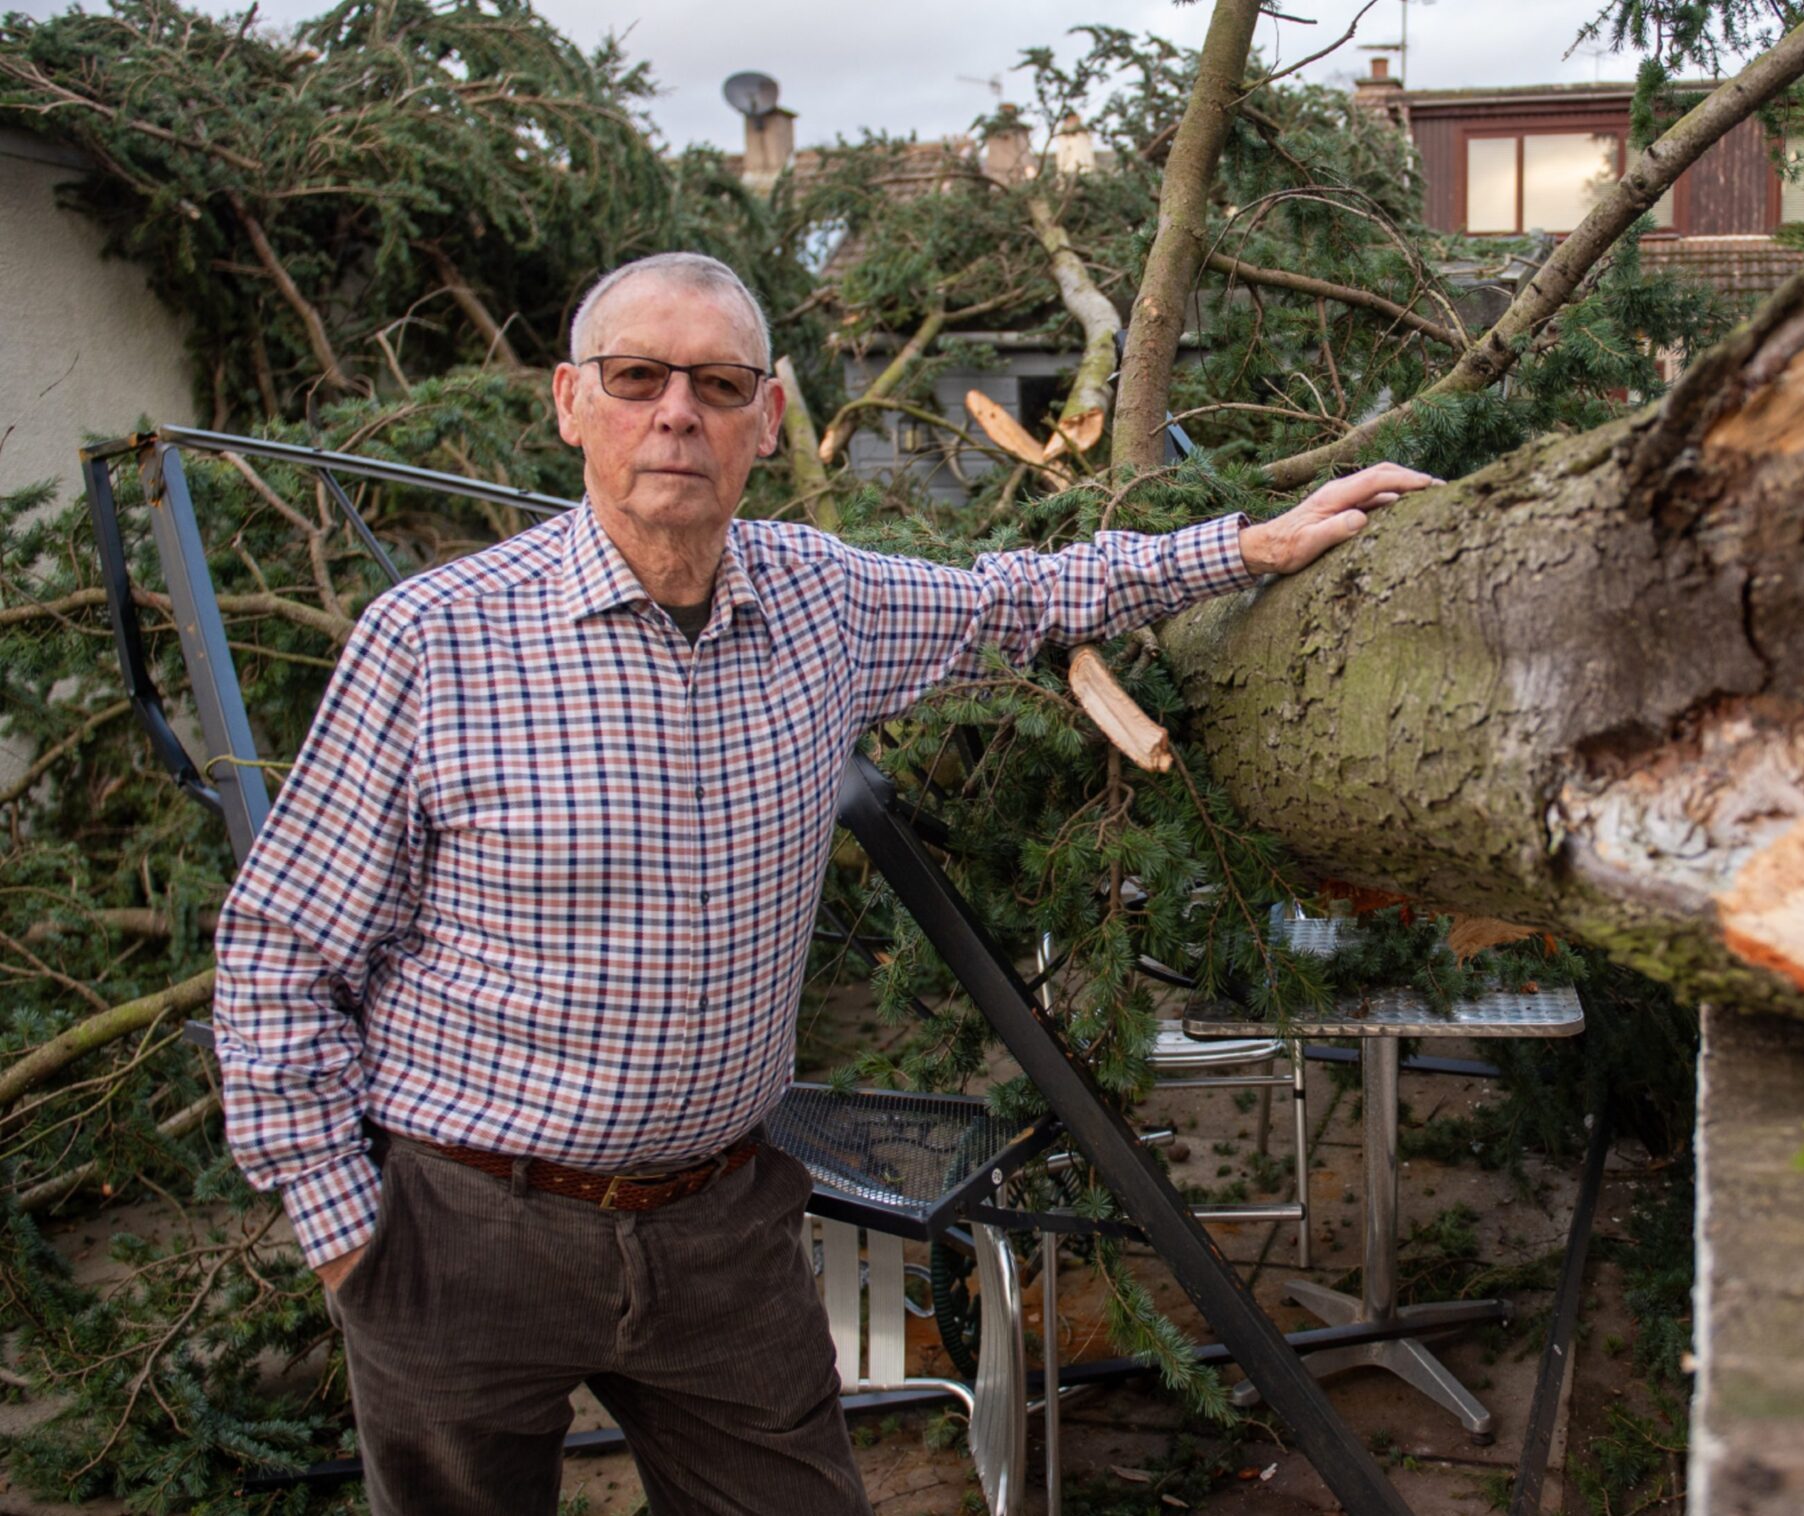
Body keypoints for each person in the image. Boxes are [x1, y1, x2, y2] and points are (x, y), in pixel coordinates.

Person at [212, 250, 1435, 1515]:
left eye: (717, 382)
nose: (676, 411)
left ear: (768, 415)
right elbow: (279, 952)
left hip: (721, 1224)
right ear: (571, 401)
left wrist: (1249, 545)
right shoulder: (437, 638)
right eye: (637, 377)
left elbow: (1016, 597)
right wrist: (348, 1236)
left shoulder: (821, 599)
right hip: (468, 1230)